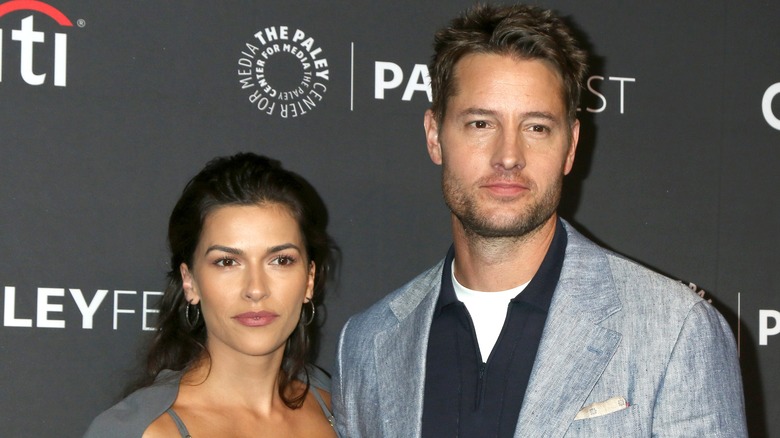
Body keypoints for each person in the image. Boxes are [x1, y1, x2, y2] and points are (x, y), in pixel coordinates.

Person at [332, 3, 747, 437]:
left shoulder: (676, 331)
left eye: (536, 128)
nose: (508, 156)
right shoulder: (365, 345)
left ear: (570, 147)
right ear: (435, 136)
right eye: (480, 123)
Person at [85, 153, 340, 437]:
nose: (256, 289)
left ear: (309, 279)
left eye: (280, 260)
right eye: (227, 262)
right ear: (190, 281)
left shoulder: (344, 412)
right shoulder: (145, 431)